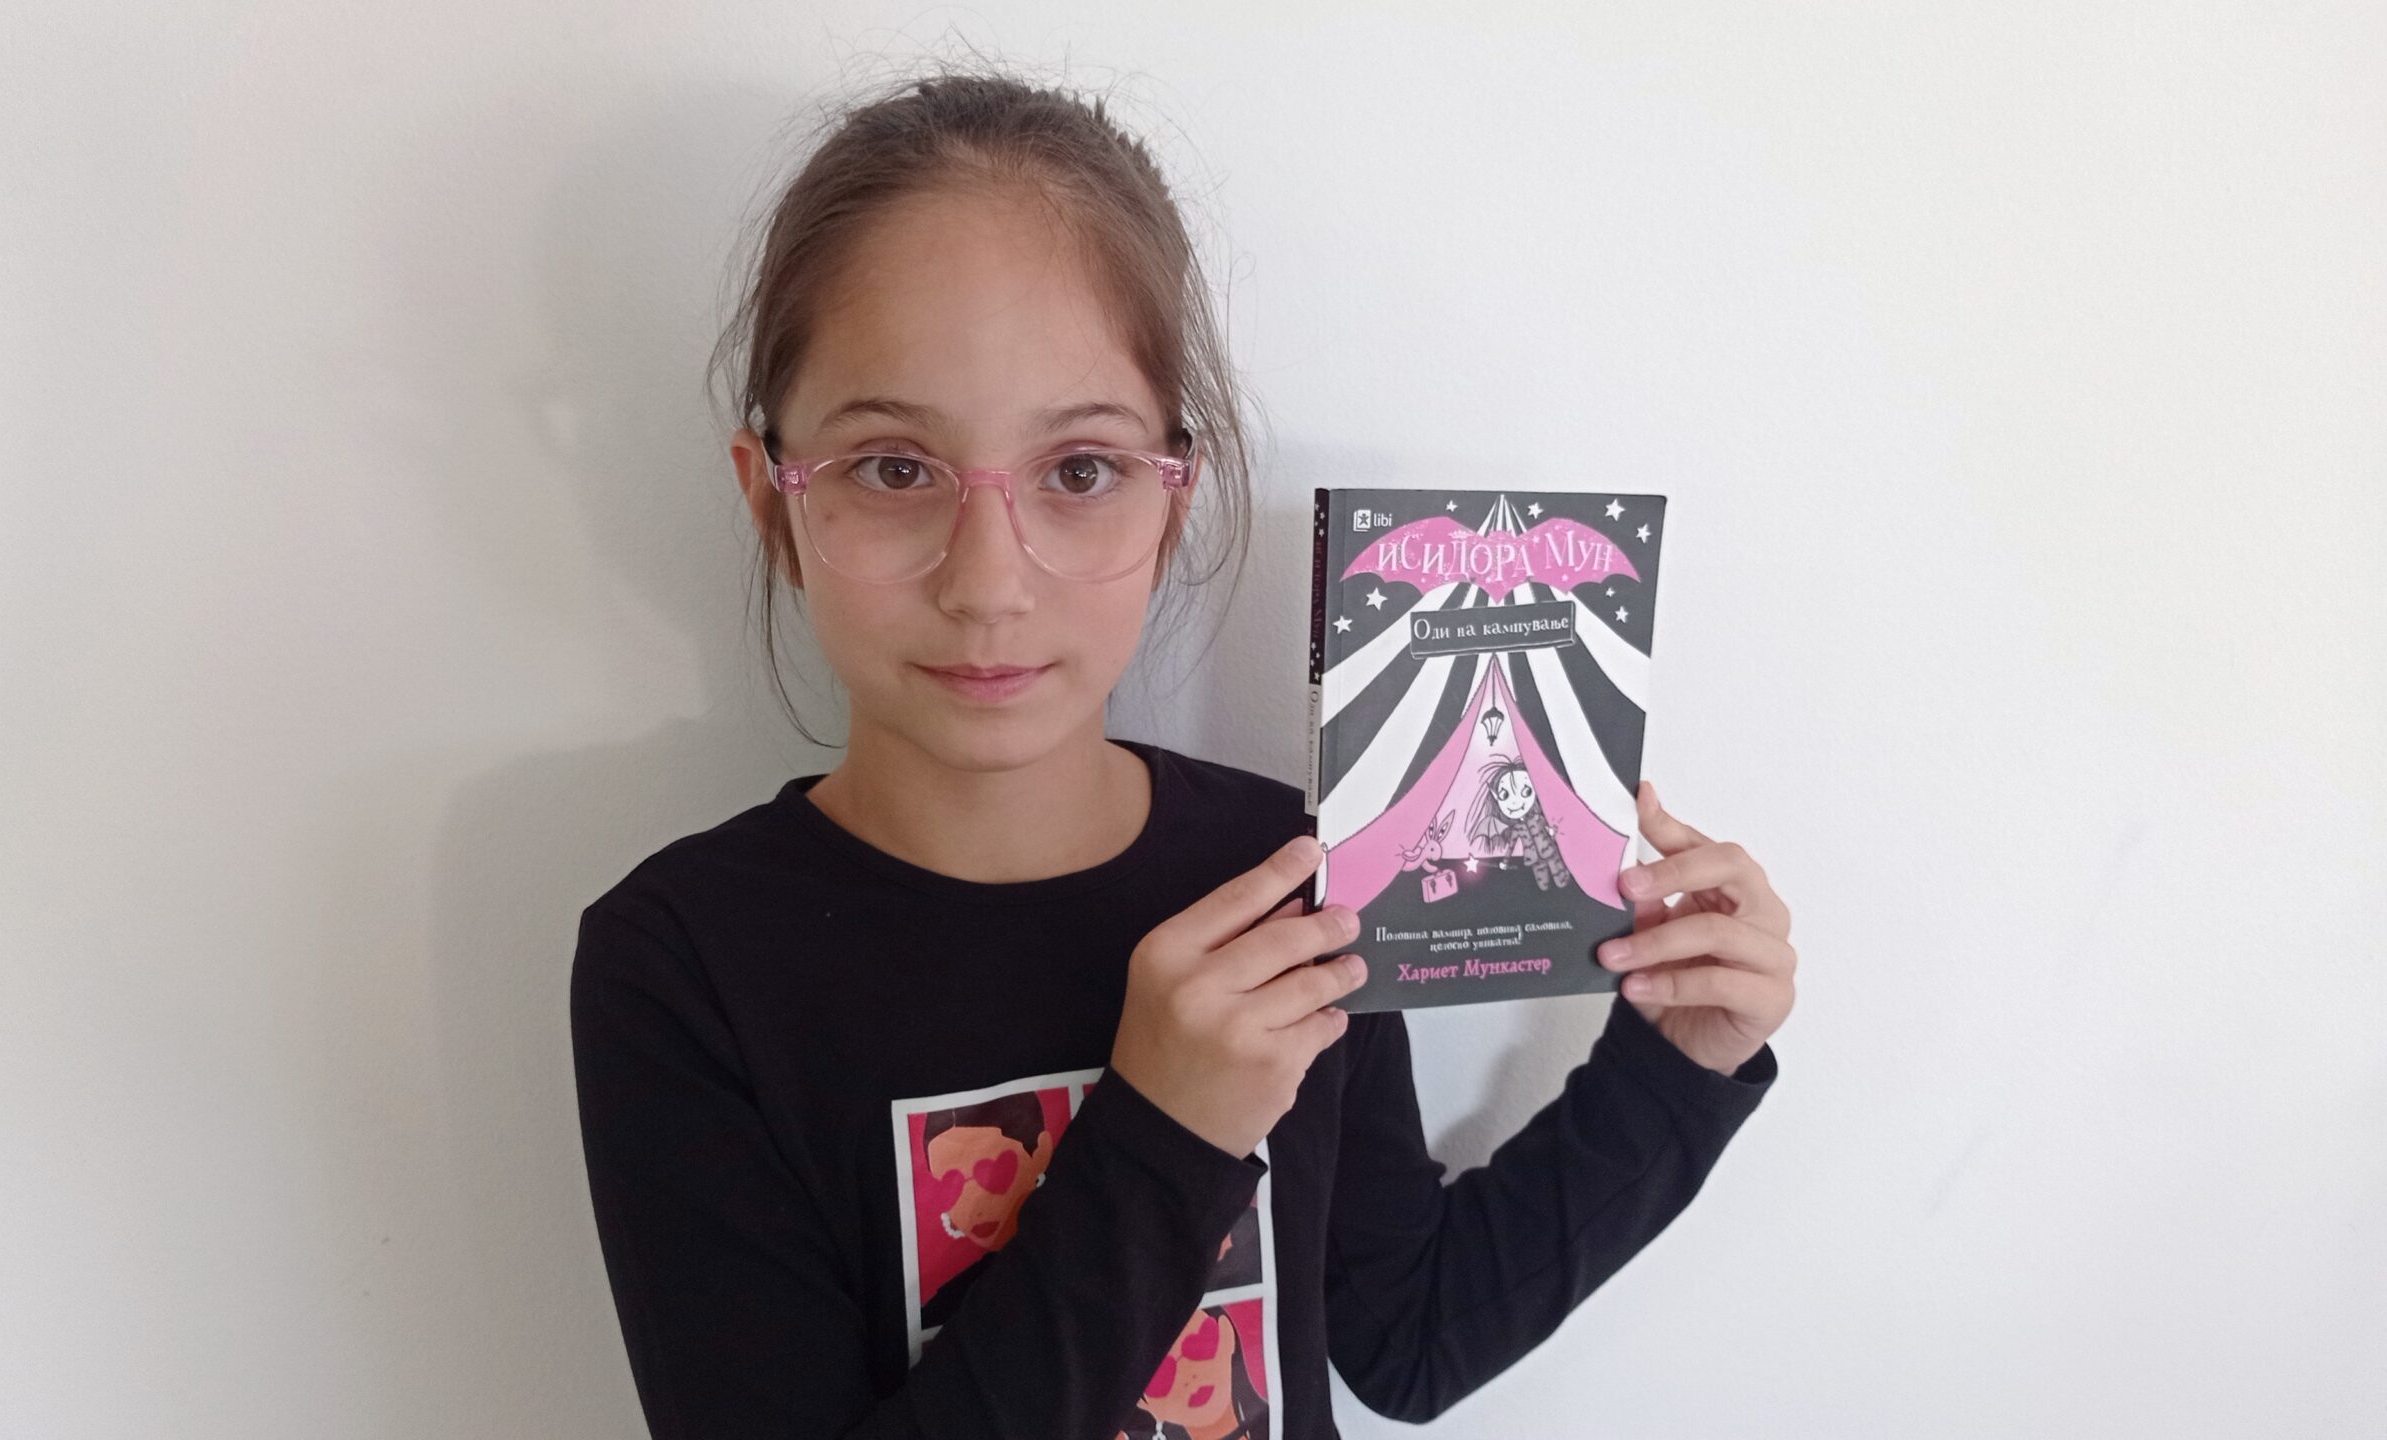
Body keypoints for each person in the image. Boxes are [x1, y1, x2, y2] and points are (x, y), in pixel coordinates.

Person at [569, 63, 1796, 1439]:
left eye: (1079, 471)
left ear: (1171, 500)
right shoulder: (683, 964)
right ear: (773, 504)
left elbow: (1405, 1337)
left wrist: (1676, 1068)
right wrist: (1168, 1136)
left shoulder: (1289, 870)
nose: (989, 584)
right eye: (894, 468)